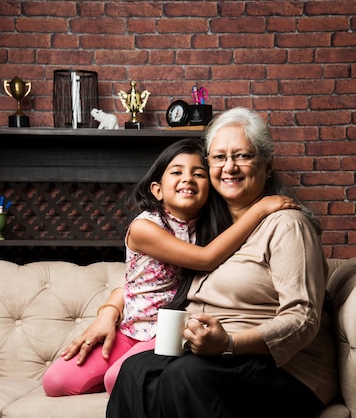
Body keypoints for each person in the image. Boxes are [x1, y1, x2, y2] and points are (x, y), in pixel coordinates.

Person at [106, 107, 339, 418]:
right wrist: (109, 309)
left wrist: (228, 341)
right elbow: (143, 279)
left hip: (281, 367)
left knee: (184, 379)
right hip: (212, 355)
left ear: (266, 166)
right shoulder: (211, 227)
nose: (228, 167)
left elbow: (303, 318)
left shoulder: (286, 224)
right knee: (133, 378)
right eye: (219, 158)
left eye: (242, 156)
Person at [43, 138, 297, 396]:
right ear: (157, 190)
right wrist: (260, 209)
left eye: (198, 173)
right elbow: (204, 259)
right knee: (55, 382)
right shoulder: (144, 228)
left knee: (117, 379)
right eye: (176, 172)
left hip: (171, 330)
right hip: (131, 328)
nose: (187, 178)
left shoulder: (214, 231)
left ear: (209, 188)